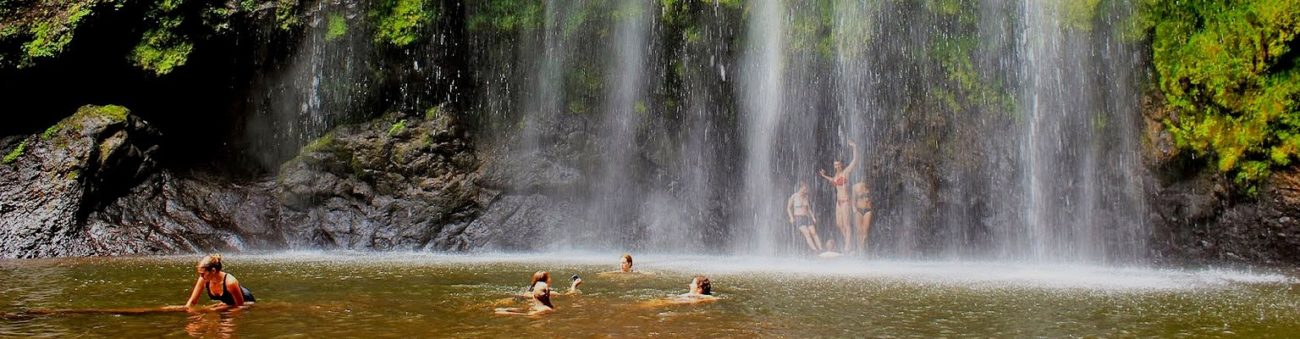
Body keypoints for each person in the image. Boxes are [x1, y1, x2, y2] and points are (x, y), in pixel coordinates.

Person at [819, 140, 859, 253]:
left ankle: (847, 246)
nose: (836, 166)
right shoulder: (836, 175)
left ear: (841, 164)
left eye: (838, 164)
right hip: (839, 203)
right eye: (835, 165)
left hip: (846, 201)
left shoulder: (846, 172)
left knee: (846, 224)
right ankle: (849, 243)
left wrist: (855, 147)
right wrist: (824, 176)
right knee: (839, 224)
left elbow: (855, 161)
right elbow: (833, 180)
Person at [185, 254, 255, 310]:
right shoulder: (203, 278)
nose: (201, 276)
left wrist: (223, 309)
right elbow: (192, 301)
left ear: (213, 271)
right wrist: (188, 313)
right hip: (228, 303)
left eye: (203, 273)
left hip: (247, 303)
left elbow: (240, 306)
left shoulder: (230, 282)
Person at [786, 182, 823, 253]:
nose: (806, 191)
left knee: (814, 232)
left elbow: (808, 209)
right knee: (807, 233)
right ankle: (815, 250)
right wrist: (791, 217)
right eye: (804, 189)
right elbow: (788, 208)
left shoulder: (806, 197)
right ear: (800, 188)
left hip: (807, 217)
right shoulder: (794, 196)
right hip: (798, 218)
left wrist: (813, 217)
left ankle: (821, 249)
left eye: (806, 190)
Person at [642, 275, 718, 307]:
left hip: (668, 302)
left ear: (699, 288)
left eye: (692, 283)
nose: (690, 285)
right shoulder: (699, 297)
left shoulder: (697, 296)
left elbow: (713, 298)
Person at [853, 181, 873, 255]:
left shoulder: (869, 185)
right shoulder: (855, 186)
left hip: (868, 210)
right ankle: (860, 249)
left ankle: (864, 248)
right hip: (859, 210)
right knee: (859, 231)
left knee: (865, 231)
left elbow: (872, 197)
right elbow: (853, 198)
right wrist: (854, 208)